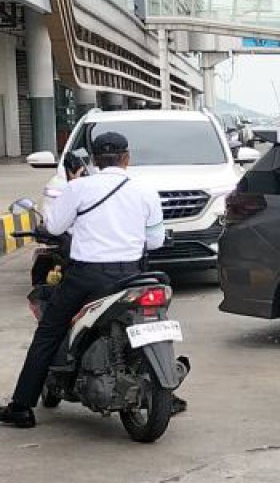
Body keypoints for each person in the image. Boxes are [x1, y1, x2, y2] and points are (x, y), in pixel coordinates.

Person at [1, 132, 165, 429]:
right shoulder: (145, 191)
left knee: (49, 332)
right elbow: (154, 241)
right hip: (132, 276)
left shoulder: (78, 188)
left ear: (94, 159)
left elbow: (53, 226)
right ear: (127, 158)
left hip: (87, 276)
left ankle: (21, 407)